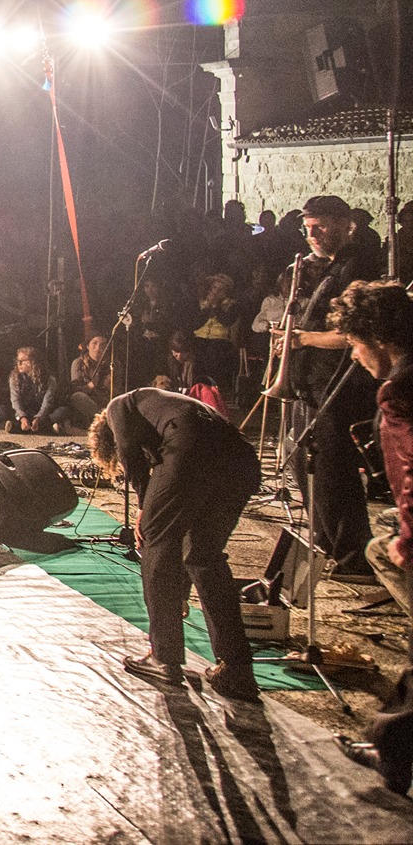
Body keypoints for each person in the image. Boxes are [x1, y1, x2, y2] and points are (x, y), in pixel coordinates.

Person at [90, 388, 261, 702]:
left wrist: (142, 505)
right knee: (204, 557)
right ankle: (237, 670)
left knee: (155, 542)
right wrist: (178, 593)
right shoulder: (165, 408)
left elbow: (128, 450)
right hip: (241, 461)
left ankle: (164, 658)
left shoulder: (119, 407)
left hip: (194, 447)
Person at [285, 194, 386, 575]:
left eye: (320, 226)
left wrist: (303, 339)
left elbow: (353, 332)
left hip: (337, 387)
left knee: (333, 472)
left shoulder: (357, 267)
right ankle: (327, 542)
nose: (312, 234)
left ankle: (351, 555)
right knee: (304, 464)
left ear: (347, 225)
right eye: (307, 228)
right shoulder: (328, 266)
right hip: (311, 383)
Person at [328, 281, 413, 631]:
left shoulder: (398, 392)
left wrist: (408, 539)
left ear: (377, 339)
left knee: (381, 550)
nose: (353, 356)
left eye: (354, 344)